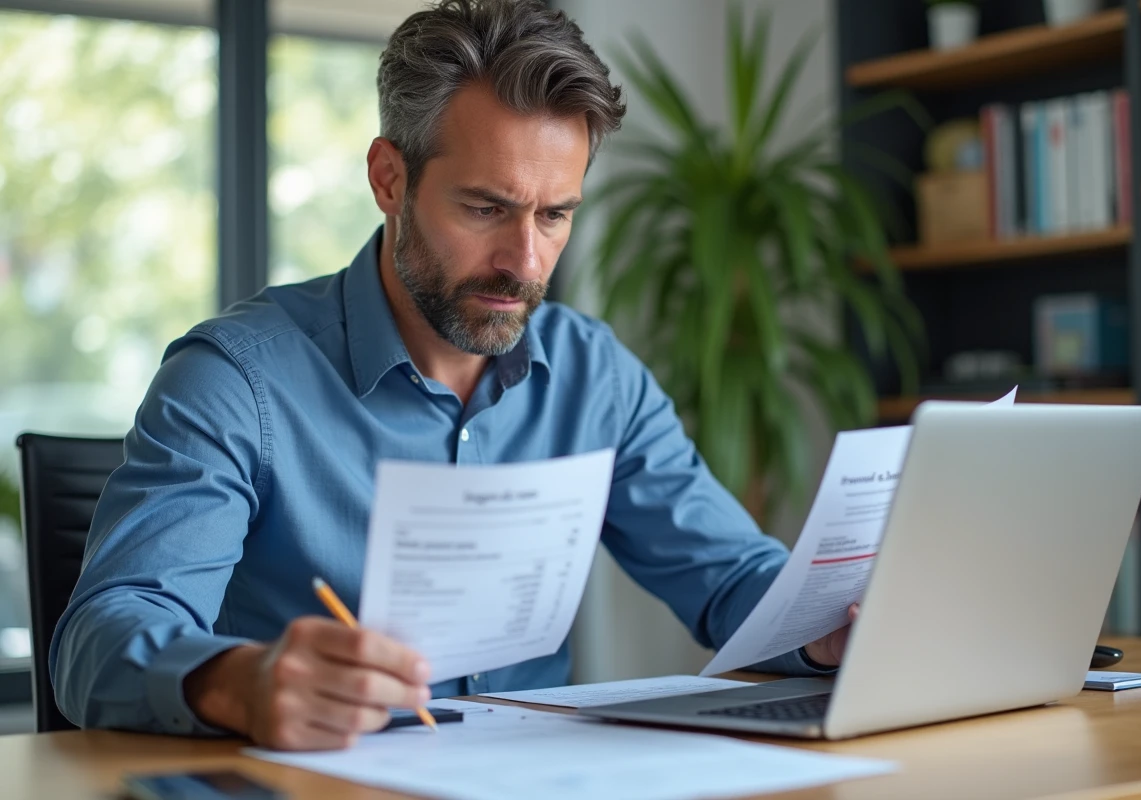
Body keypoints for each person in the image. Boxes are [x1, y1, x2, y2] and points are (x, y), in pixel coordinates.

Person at [50, 0, 854, 751]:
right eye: (485, 208)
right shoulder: (235, 380)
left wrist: (828, 624)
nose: (526, 261)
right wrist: (237, 683)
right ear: (389, 179)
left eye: (555, 214)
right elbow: (102, 636)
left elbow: (733, 582)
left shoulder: (594, 374)